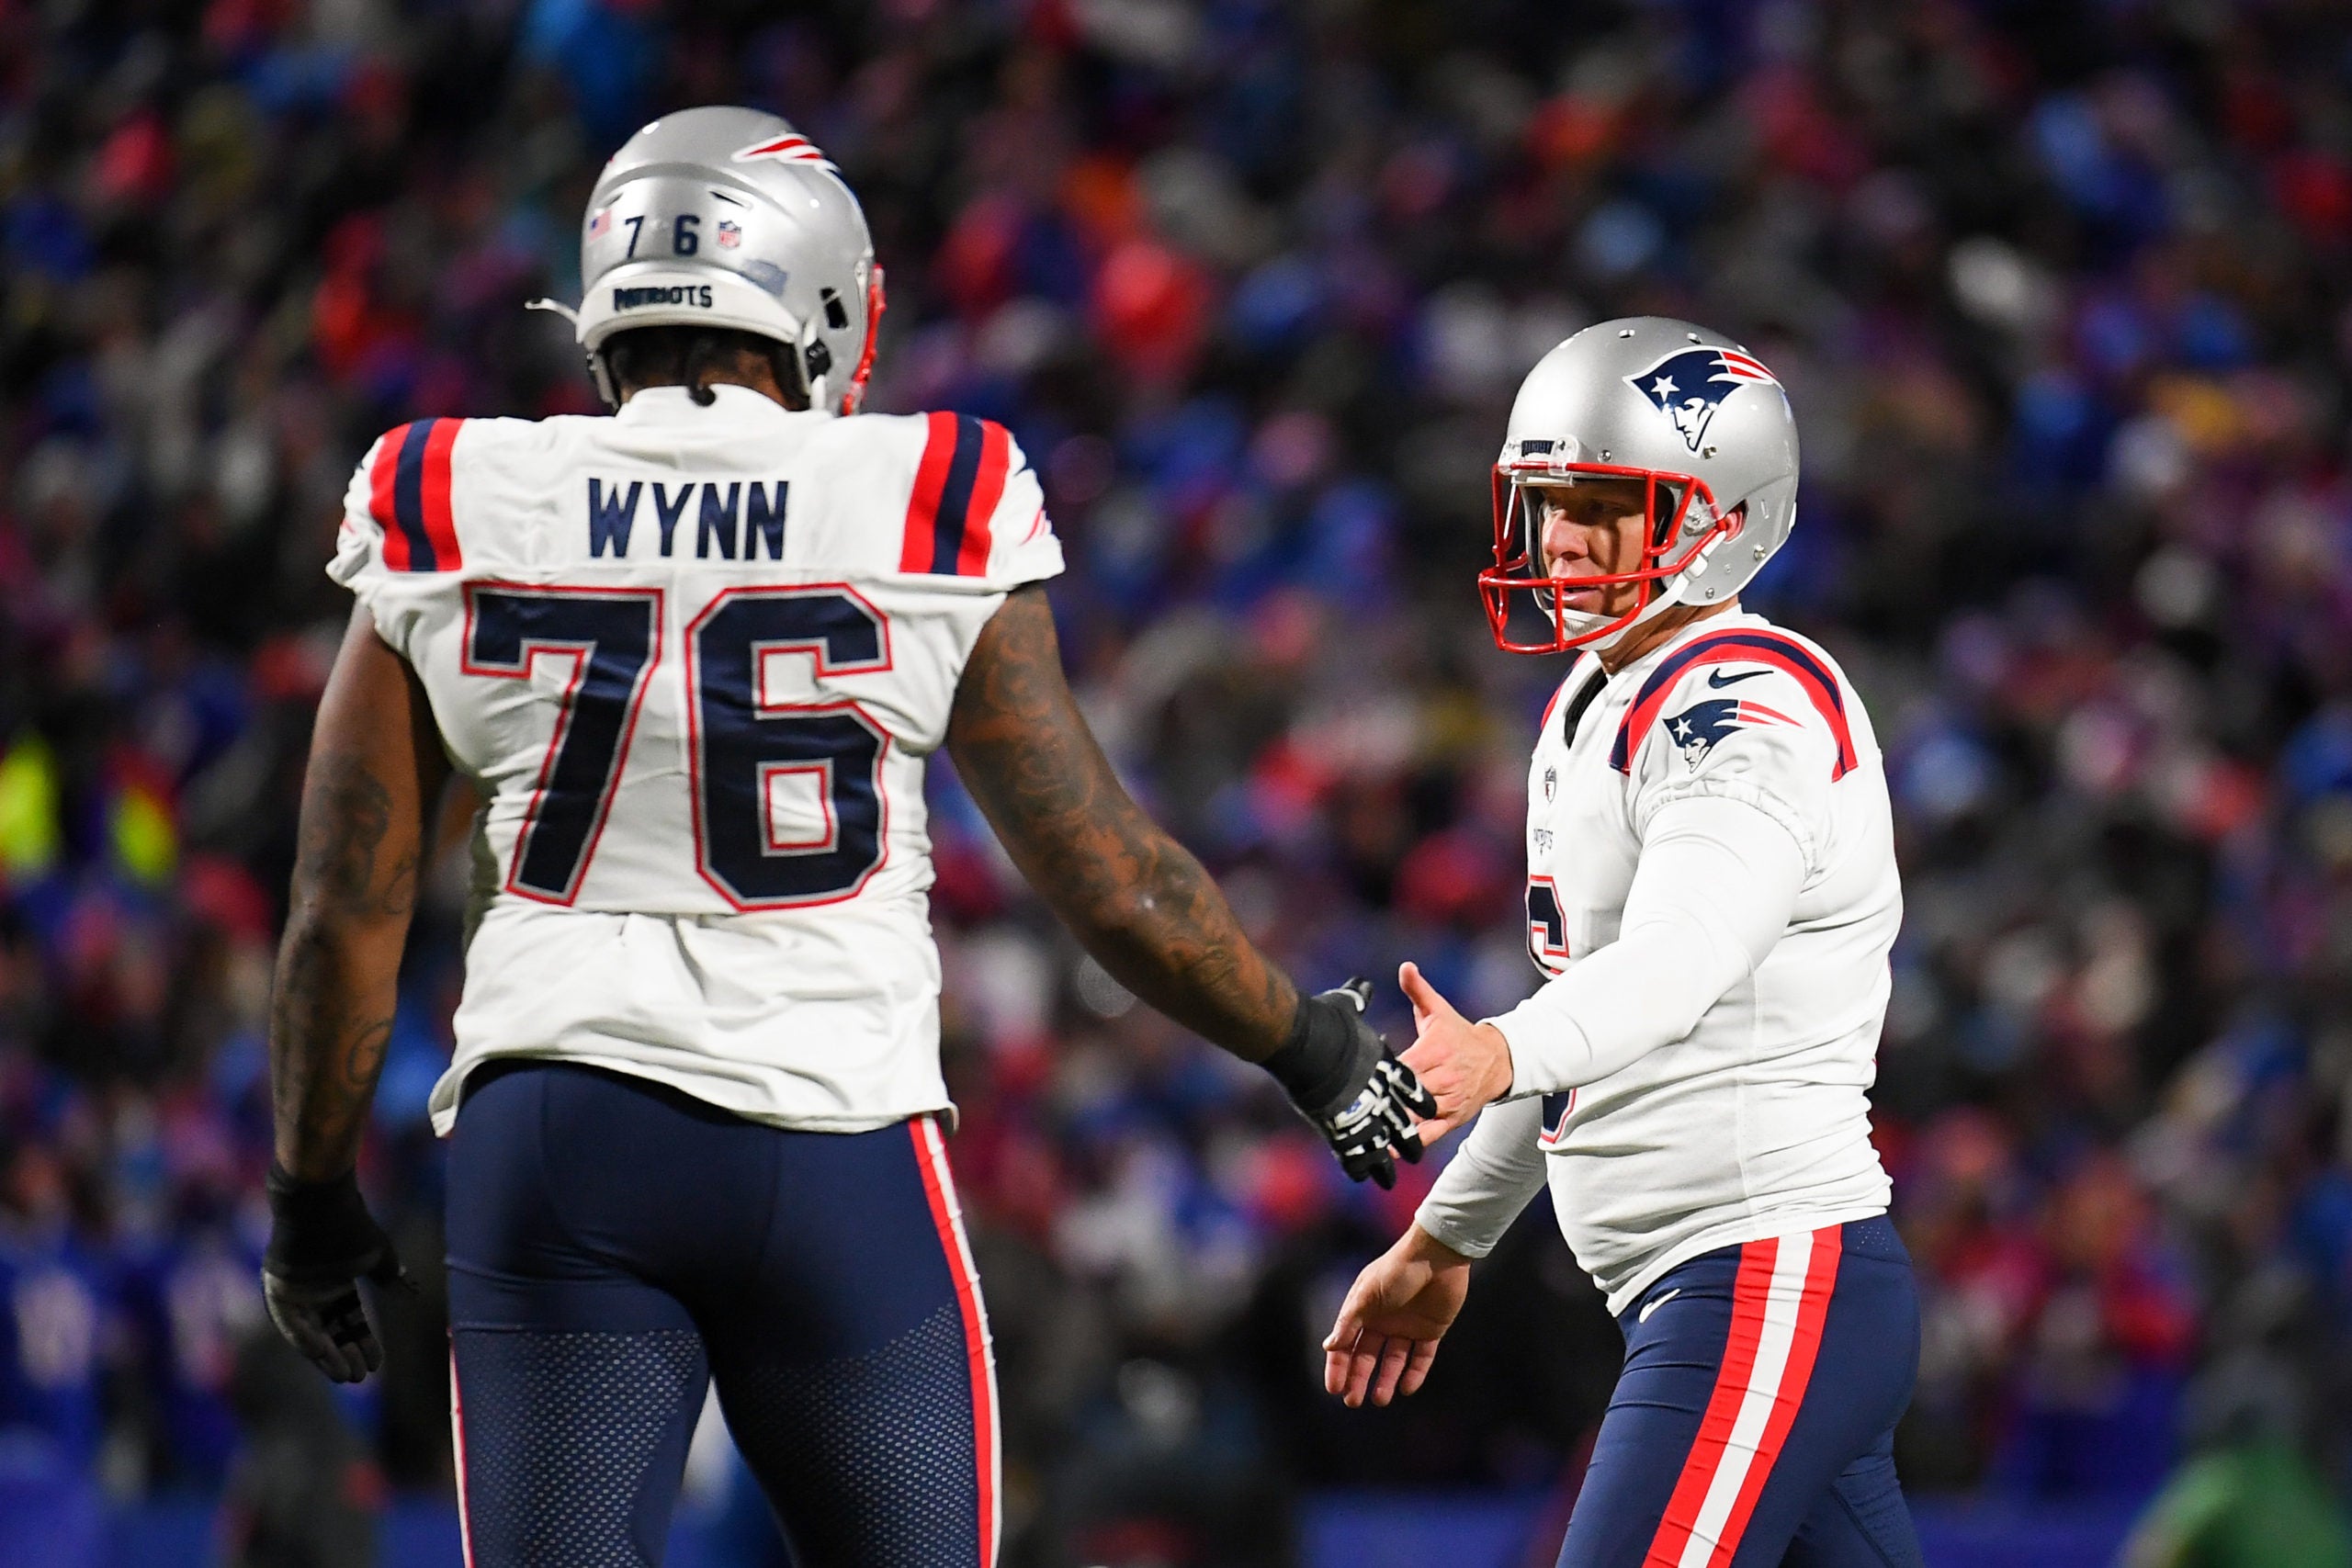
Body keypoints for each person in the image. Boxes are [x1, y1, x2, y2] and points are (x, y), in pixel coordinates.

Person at [254, 106, 1432, 1568]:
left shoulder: (451, 491)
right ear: (818, 295)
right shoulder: (925, 492)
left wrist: (308, 1194)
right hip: (833, 1139)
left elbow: (342, 906)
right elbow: (1112, 879)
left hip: (556, 1134)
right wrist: (1314, 1055)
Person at [1322, 319, 1925, 1567]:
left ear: (1728, 519)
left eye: (1610, 506)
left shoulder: (1747, 712)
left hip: (1763, 1275)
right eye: (1549, 502)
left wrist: (1494, 1048)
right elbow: (1586, 1036)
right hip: (1733, 1290)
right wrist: (1446, 1239)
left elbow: (1673, 968)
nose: (1564, 542)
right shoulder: (1603, 695)